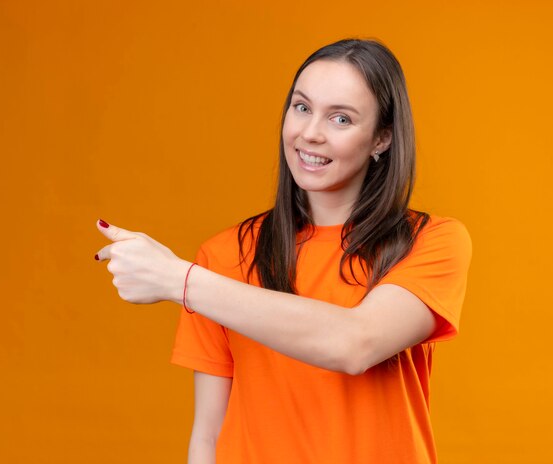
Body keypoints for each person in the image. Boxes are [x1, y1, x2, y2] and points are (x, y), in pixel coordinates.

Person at [94, 38, 472, 464]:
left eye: (341, 118)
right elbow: (208, 437)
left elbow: (355, 343)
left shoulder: (430, 241)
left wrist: (178, 281)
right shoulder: (222, 257)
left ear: (381, 138)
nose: (310, 133)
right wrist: (190, 279)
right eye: (302, 107)